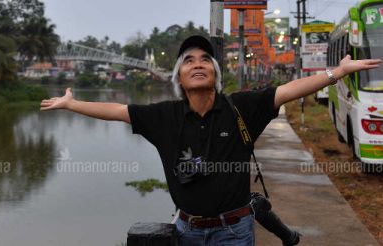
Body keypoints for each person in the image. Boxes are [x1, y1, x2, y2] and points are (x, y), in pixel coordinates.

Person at [40, 35, 381, 246]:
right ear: (178, 76)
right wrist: (71, 104)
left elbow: (290, 90)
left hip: (234, 232)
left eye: (205, 59)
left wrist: (340, 71)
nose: (198, 64)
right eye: (189, 61)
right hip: (186, 232)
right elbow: (115, 110)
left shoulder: (241, 108)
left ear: (216, 73)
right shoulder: (164, 116)